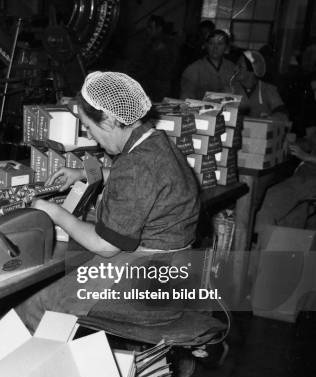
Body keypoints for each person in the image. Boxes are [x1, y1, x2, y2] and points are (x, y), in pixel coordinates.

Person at [16, 71, 201, 332]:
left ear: (111, 120)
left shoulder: (135, 165)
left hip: (147, 289)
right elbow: (143, 180)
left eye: (89, 128)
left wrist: (54, 212)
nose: (90, 137)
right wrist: (85, 173)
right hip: (174, 277)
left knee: (34, 305)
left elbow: (104, 245)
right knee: (72, 276)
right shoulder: (157, 144)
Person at [230, 49, 288, 120]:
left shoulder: (268, 89)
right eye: (236, 65)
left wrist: (270, 118)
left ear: (253, 70)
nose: (235, 69)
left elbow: (282, 114)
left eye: (240, 67)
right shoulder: (231, 89)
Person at [180, 29, 236, 99]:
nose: (215, 48)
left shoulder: (232, 68)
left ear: (226, 47)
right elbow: (186, 97)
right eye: (211, 43)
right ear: (206, 45)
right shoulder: (193, 69)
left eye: (220, 44)